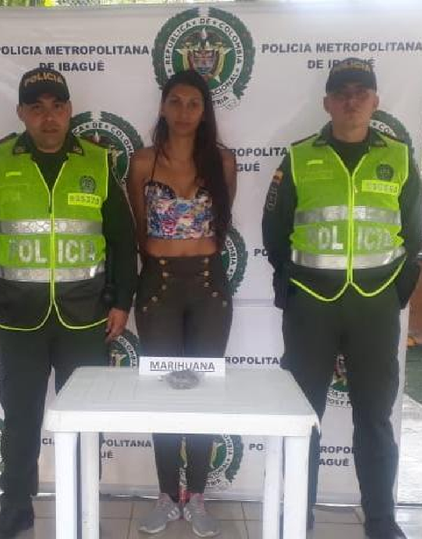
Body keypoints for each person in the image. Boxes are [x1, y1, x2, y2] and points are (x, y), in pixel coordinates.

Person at [0, 66, 137, 539]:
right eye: (36, 108)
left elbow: (123, 242)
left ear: (69, 110)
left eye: (57, 106)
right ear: (21, 113)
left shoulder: (98, 161)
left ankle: (83, 508)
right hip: (19, 319)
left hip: (86, 318)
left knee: (85, 421)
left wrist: (122, 302)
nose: (48, 117)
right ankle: (16, 508)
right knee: (20, 420)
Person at [262, 58, 422, 539]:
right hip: (311, 306)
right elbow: (275, 232)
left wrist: (390, 291)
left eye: (361, 92)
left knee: (374, 418)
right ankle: (299, 518)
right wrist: (296, 284)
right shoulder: (298, 158)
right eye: (342, 93)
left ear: (375, 102)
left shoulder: (399, 158)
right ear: (327, 102)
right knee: (303, 417)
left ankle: (381, 521)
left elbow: (413, 234)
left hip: (374, 306)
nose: (351, 101)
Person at [126, 69, 237, 537]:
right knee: (164, 391)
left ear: (205, 110)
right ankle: (167, 495)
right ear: (162, 106)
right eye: (176, 101)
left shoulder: (223, 161)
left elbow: (222, 224)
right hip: (159, 286)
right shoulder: (142, 162)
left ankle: (199, 497)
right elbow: (137, 228)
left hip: (209, 286)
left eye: (194, 103)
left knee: (204, 390)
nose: (185, 111)